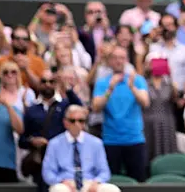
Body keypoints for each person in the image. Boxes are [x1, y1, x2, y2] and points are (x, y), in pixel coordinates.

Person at [91, 46, 149, 182]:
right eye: (115, 58)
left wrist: (132, 87)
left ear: (127, 60)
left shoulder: (137, 80)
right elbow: (96, 107)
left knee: (138, 181)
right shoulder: (103, 83)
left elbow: (145, 102)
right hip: (111, 140)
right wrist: (110, 89)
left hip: (134, 139)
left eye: (122, 58)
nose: (118, 61)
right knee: (111, 183)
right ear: (110, 61)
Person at [42, 105, 121, 192]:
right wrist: (61, 181)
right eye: (72, 121)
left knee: (111, 189)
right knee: (59, 189)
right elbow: (48, 172)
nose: (76, 124)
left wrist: (97, 182)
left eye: (81, 121)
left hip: (90, 182)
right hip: (65, 183)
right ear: (65, 122)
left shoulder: (96, 143)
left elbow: (104, 172)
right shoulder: (54, 143)